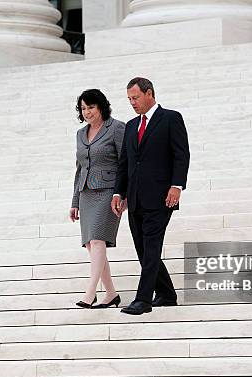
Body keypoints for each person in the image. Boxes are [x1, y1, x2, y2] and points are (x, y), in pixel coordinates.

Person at [111, 77, 190, 315]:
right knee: (143, 250)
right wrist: (119, 192)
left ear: (149, 93)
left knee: (152, 246)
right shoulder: (131, 125)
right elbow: (124, 163)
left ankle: (143, 299)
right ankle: (166, 293)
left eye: (135, 98)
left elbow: (181, 154)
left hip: (161, 197)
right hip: (135, 198)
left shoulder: (170, 118)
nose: (132, 103)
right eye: (129, 99)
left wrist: (176, 186)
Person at [70, 89, 127, 309]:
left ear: (101, 106)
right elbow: (79, 169)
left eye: (91, 107)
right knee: (90, 245)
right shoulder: (80, 134)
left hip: (109, 192)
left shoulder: (116, 128)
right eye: (83, 108)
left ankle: (90, 292)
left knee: (97, 240)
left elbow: (126, 163)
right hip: (86, 193)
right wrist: (74, 201)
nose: (87, 112)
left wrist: (122, 193)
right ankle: (111, 294)